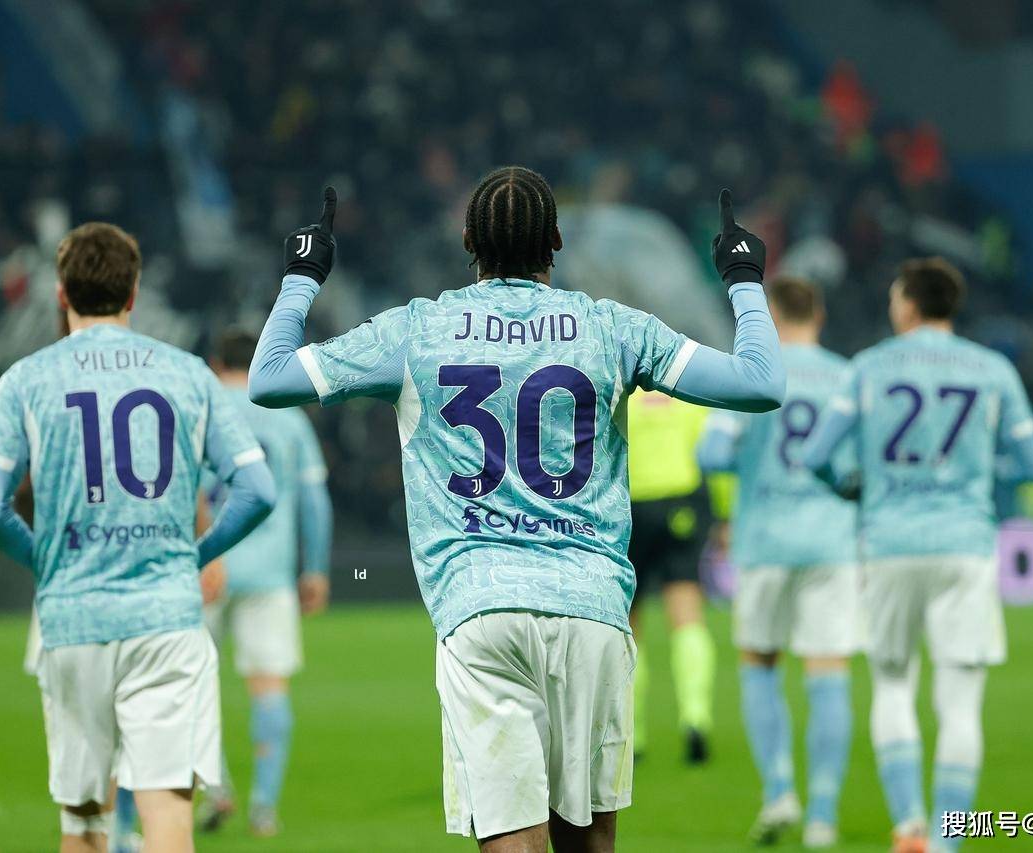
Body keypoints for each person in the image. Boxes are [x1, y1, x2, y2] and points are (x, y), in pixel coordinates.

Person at [248, 170, 785, 853]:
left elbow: (269, 379)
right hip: (591, 609)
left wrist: (303, 276)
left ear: (467, 241)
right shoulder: (612, 328)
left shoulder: (416, 330)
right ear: (556, 241)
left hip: (481, 609)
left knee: (511, 840)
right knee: (589, 843)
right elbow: (760, 382)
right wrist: (742, 279)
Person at [0, 222, 276, 853]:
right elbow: (257, 491)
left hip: (74, 619)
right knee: (169, 817)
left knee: (85, 824)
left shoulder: (24, 380)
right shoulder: (188, 374)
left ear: (61, 294)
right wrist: (193, 557)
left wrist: (46, 562)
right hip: (166, 619)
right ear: (134, 291)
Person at [799, 258, 1033, 853]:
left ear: (908, 304)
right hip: (964, 545)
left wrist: (852, 487)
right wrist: (976, 476)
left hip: (889, 544)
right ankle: (946, 842)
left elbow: (816, 456)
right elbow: (1032, 466)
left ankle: (908, 826)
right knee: (960, 704)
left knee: (892, 685)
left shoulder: (868, 368)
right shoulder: (993, 370)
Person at [697, 276, 858, 848]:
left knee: (760, 663)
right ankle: (823, 817)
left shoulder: (754, 369)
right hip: (831, 543)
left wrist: (750, 459)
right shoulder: (846, 376)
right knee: (828, 670)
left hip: (764, 540)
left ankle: (779, 791)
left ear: (772, 318)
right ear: (819, 314)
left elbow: (711, 453)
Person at [196, 327, 333, 838]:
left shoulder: (202, 410)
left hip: (206, 566)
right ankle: (264, 808)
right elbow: (314, 499)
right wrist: (315, 568)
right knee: (269, 687)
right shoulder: (289, 417)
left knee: (190, 685)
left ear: (215, 364)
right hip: (271, 571)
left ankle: (216, 788)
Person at [625, 389, 715, 763]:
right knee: (686, 608)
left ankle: (633, 732)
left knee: (628, 621)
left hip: (631, 501)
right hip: (681, 499)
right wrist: (723, 513)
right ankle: (696, 716)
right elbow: (712, 452)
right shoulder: (689, 395)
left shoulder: (622, 393)